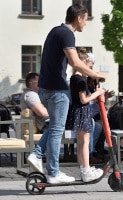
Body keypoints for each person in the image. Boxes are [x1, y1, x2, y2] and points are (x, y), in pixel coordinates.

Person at [27, 4, 106, 184]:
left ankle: (36, 154)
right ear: (79, 18)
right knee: (57, 130)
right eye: (85, 20)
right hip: (57, 89)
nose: (85, 24)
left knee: (55, 126)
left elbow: (72, 62)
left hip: (46, 89)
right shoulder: (66, 33)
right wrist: (95, 75)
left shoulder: (55, 31)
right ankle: (53, 172)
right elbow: (75, 62)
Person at [66, 48, 104, 182]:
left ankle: (84, 169)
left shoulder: (75, 78)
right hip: (82, 111)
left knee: (82, 142)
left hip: (78, 111)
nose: (90, 69)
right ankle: (86, 170)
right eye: (89, 65)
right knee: (85, 142)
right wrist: (98, 93)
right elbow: (83, 100)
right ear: (83, 62)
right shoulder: (80, 80)